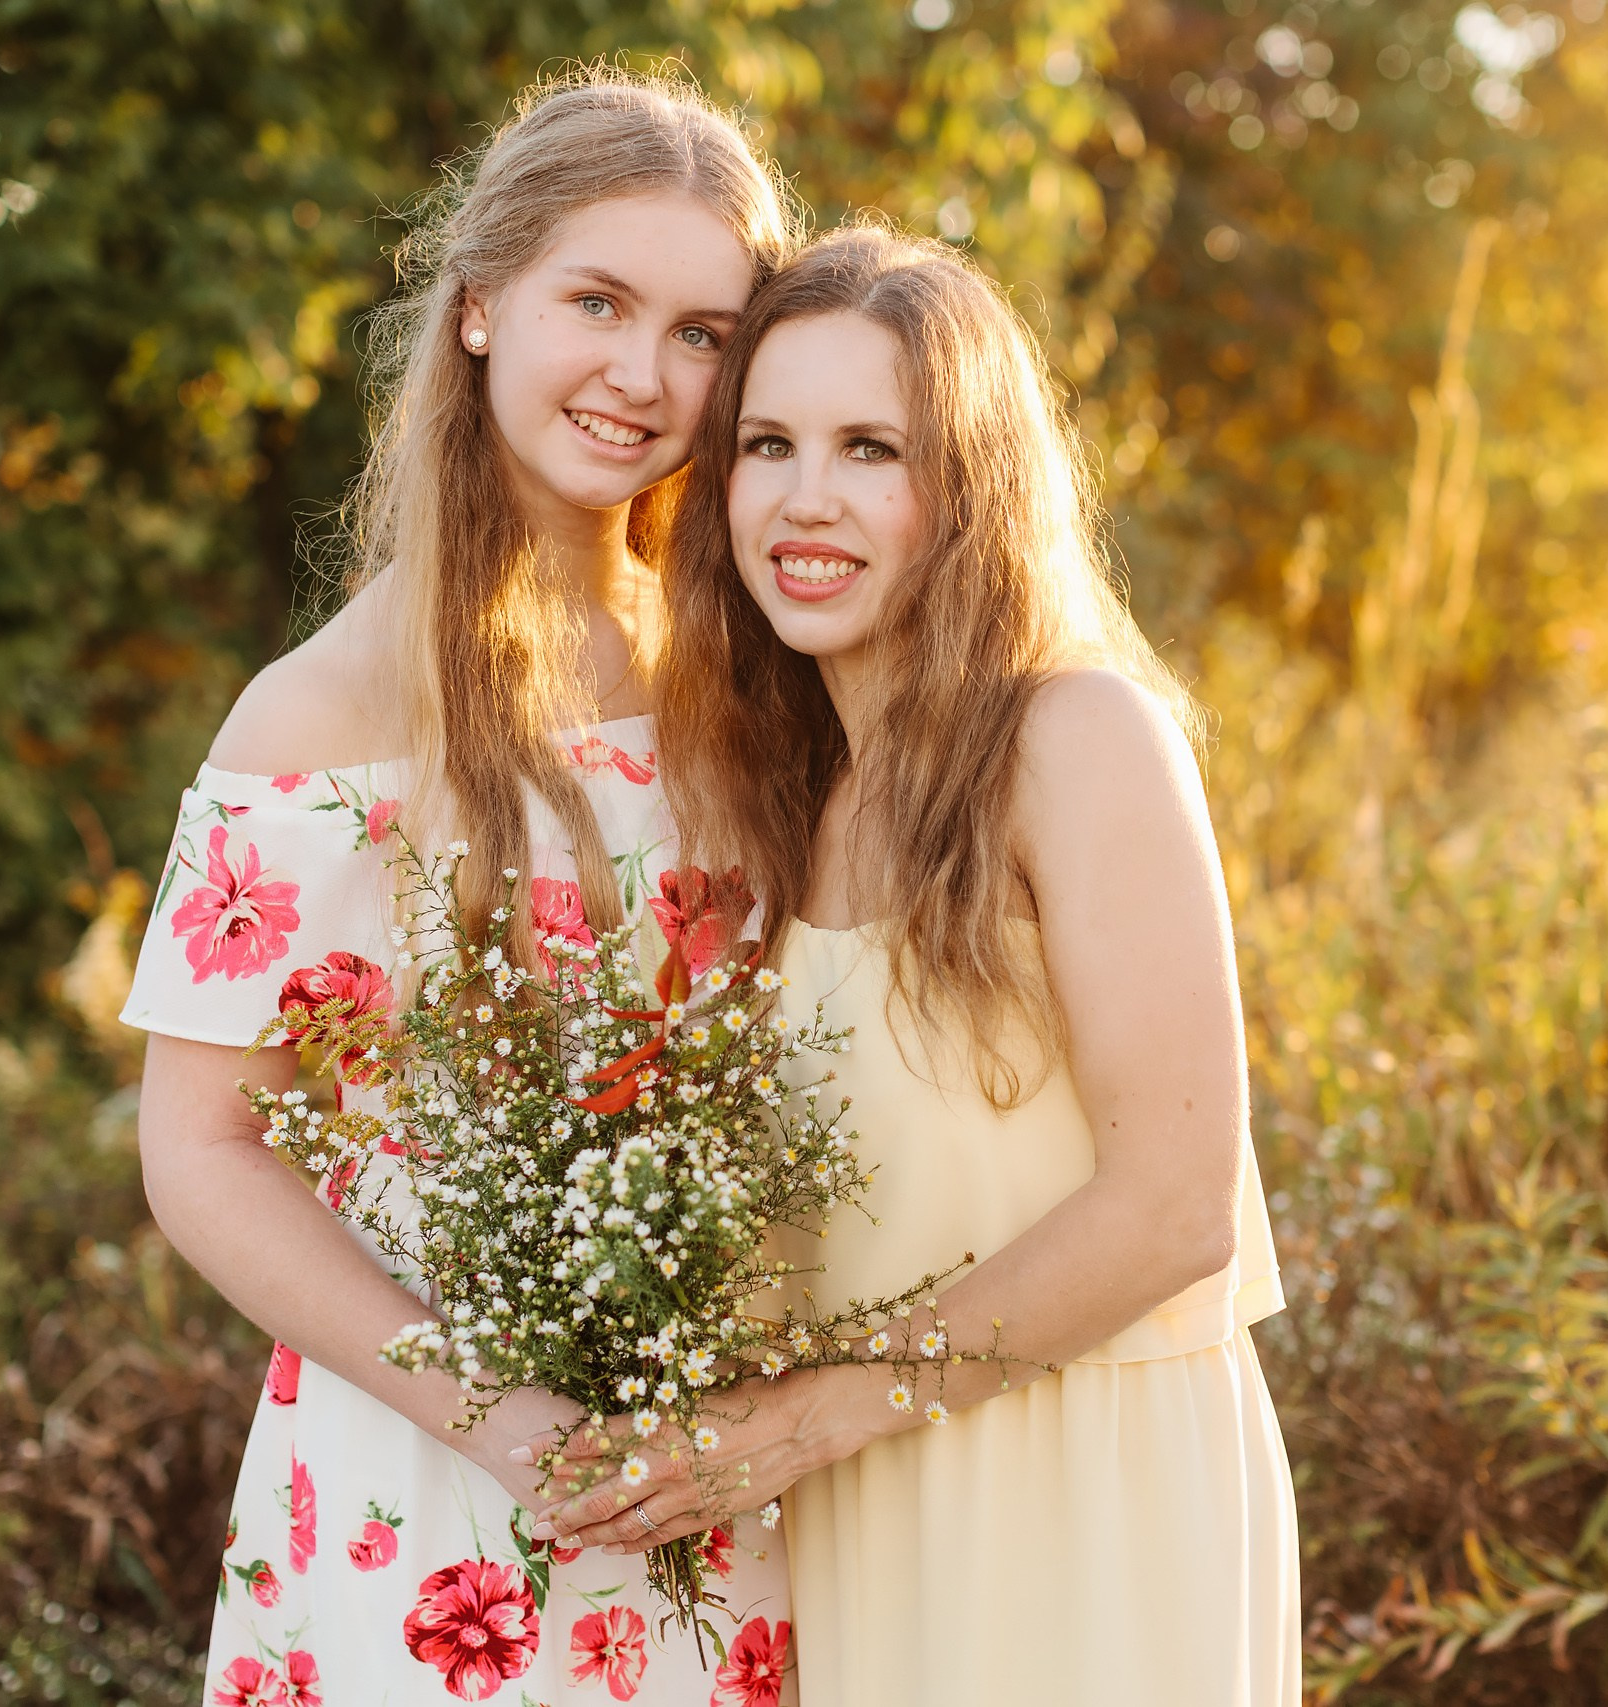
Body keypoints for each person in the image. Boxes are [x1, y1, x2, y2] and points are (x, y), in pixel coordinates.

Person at [530, 224, 1301, 1704]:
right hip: (868, 1512)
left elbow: (1172, 1210)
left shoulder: (1077, 737)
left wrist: (813, 1415)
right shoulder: (786, 795)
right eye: (767, 444)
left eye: (871, 447)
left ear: (969, 488)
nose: (806, 501)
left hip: (1087, 1508)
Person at [122, 69, 802, 1706]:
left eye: (705, 334)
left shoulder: (756, 668)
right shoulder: (319, 715)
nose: (643, 376)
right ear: (483, 304)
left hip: (728, 1487)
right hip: (434, 1498)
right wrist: (501, 1416)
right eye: (599, 301)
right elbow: (200, 1145)